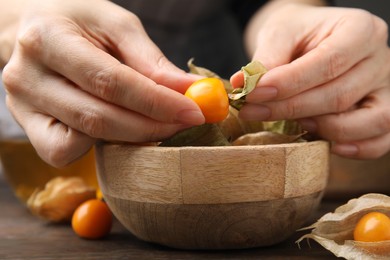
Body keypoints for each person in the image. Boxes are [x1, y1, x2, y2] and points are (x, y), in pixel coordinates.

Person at [0, 0, 389, 167]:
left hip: (221, 170)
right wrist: (19, 21)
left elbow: (268, 4)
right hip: (26, 139)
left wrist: (296, 27)